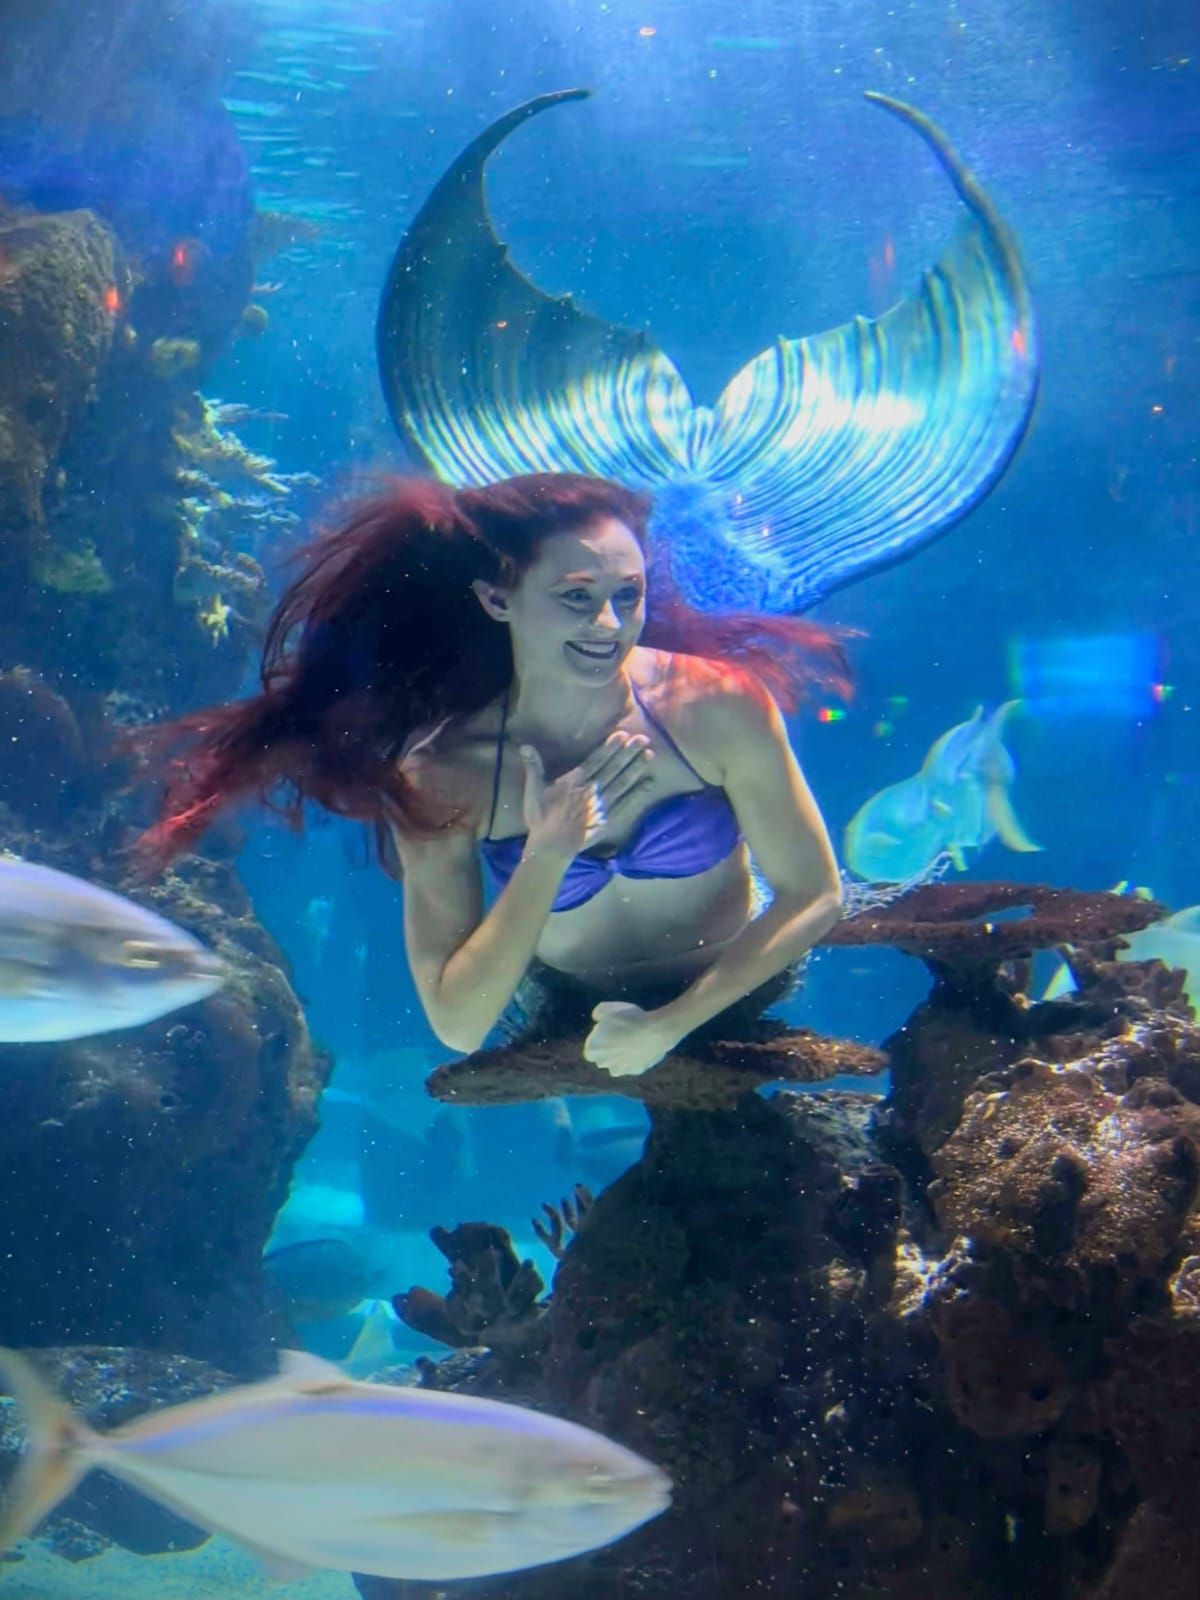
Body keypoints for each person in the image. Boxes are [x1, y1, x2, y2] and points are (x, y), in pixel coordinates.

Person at [143, 472, 845, 1077]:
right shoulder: (445, 771)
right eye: (576, 597)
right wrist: (548, 854)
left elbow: (815, 895)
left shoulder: (713, 706)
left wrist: (670, 1025)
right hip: (570, 1008)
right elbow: (458, 1021)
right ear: (497, 599)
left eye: (628, 595)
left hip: (741, 985)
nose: (609, 624)